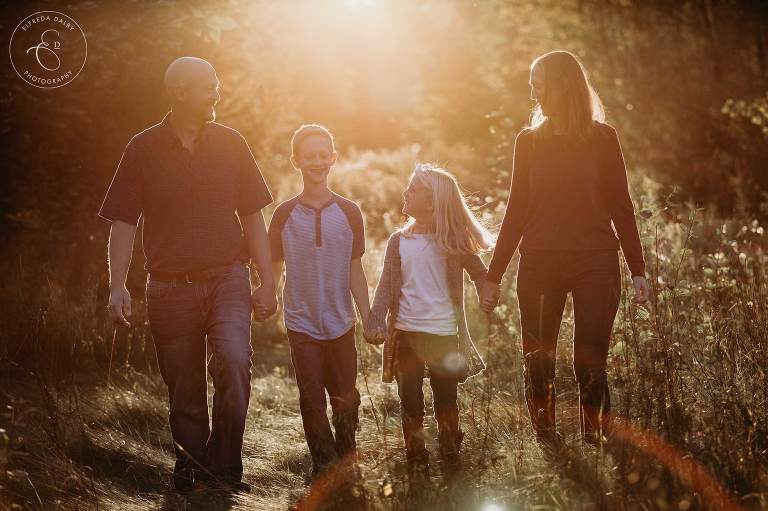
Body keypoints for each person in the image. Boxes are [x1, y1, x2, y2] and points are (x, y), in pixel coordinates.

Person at [99, 57, 277, 492]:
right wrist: (118, 284)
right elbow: (123, 221)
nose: (217, 92)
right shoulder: (142, 149)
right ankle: (193, 462)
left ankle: (224, 467)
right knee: (184, 385)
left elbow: (253, 216)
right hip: (168, 287)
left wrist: (268, 279)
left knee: (234, 361)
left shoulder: (232, 143)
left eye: (217, 83)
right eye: (207, 86)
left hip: (228, 277)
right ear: (180, 92)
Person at [479, 50, 651, 448]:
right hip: (539, 264)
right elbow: (516, 210)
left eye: (538, 83)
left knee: (589, 363)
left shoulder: (603, 139)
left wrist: (638, 269)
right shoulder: (529, 142)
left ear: (561, 85)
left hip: (597, 263)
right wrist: (492, 275)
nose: (533, 92)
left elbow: (621, 207)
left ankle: (597, 444)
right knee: (538, 362)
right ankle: (548, 445)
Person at [366, 163, 492, 467]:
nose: (405, 193)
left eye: (414, 189)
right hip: (406, 334)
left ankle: (450, 452)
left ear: (432, 201)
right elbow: (385, 285)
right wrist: (375, 317)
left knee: (445, 398)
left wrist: (485, 290)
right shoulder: (399, 241)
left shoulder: (452, 240)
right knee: (410, 400)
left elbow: (479, 272)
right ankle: (416, 456)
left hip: (444, 336)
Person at [267, 124, 370, 480]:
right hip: (302, 324)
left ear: (333, 159)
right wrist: (266, 295)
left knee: (346, 397)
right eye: (308, 156)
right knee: (311, 398)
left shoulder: (349, 212)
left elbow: (355, 270)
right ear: (296, 161)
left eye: (322, 155)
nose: (316, 162)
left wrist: (368, 315)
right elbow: (274, 269)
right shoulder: (283, 215)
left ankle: (347, 459)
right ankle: (324, 466)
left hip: (341, 323)